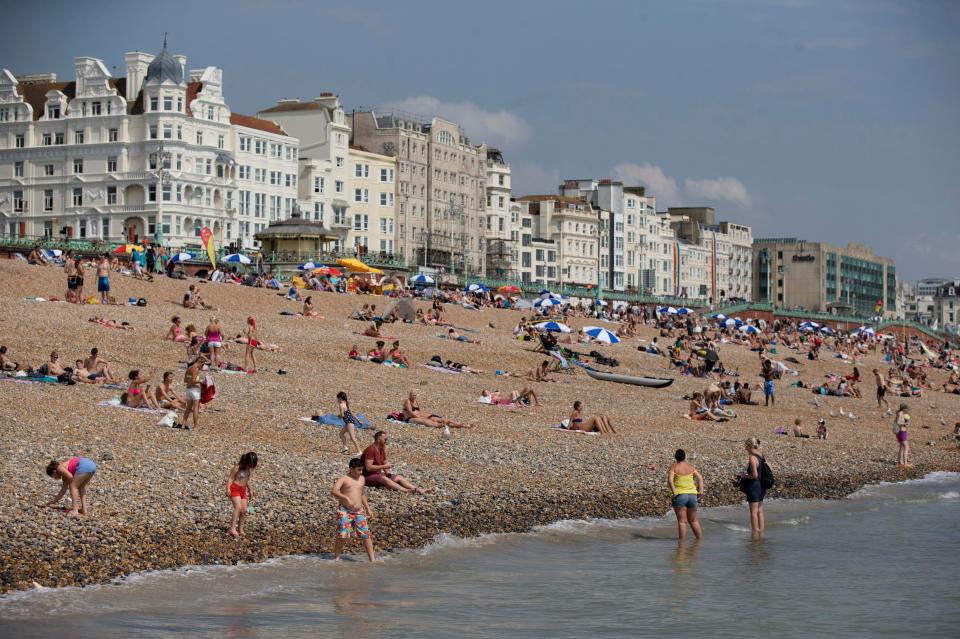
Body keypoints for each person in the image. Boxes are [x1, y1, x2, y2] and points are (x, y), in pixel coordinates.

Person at [331, 457, 376, 562]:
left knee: (365, 534)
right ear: (351, 469)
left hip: (358, 511)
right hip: (344, 510)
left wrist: (368, 508)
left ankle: (372, 559)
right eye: (358, 470)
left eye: (362, 470)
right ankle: (336, 558)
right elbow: (334, 491)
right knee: (343, 534)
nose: (361, 472)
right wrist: (345, 498)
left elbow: (362, 494)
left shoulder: (362, 479)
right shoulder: (344, 479)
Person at [361, 430, 432, 493]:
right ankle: (406, 491)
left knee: (399, 477)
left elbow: (384, 462)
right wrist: (384, 466)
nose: (386, 441)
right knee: (384, 478)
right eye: (385, 439)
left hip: (377, 474)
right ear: (379, 439)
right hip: (367, 476)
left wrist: (387, 472)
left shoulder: (381, 449)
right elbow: (368, 468)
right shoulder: (370, 450)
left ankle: (418, 489)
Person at [668, 449, 704, 541]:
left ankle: (682, 545)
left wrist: (674, 492)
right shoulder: (691, 467)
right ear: (685, 457)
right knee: (693, 520)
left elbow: (670, 480)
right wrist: (701, 491)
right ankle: (699, 541)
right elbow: (700, 478)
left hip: (681, 495)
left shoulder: (674, 467)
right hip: (692, 495)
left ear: (675, 457)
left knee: (682, 521)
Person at [736, 437, 767, 536]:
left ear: (749, 445)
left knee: (753, 512)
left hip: (754, 487)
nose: (745, 448)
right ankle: (761, 532)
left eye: (746, 446)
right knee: (760, 511)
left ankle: (754, 534)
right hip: (762, 486)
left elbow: (754, 475)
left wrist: (743, 476)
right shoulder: (761, 456)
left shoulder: (752, 458)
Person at [402, 390, 472, 429]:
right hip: (409, 418)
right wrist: (421, 416)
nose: (414, 396)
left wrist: (427, 415)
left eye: (415, 395)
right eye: (412, 395)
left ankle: (459, 424)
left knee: (436, 418)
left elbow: (418, 411)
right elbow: (410, 412)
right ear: (409, 395)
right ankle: (439, 425)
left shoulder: (416, 401)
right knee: (424, 420)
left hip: (418, 415)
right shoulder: (407, 401)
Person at [227, 451, 258, 538]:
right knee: (238, 507)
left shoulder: (248, 469)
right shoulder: (237, 467)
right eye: (250, 465)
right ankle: (232, 529)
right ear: (246, 462)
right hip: (235, 489)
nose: (250, 467)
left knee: (244, 510)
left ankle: (241, 529)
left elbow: (247, 480)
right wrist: (227, 489)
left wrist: (250, 489)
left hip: (243, 490)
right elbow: (230, 478)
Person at [181, 356, 206, 430]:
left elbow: (185, 380)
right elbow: (194, 380)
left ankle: (183, 424)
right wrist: (202, 381)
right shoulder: (195, 369)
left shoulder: (189, 368)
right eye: (203, 365)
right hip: (195, 390)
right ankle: (196, 427)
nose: (202, 367)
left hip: (188, 390)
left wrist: (192, 380)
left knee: (188, 408)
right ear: (200, 363)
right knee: (195, 408)